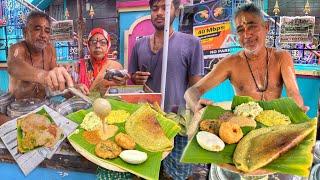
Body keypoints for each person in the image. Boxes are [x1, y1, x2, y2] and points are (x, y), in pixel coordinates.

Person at [184, 3, 308, 114]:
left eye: (252, 26)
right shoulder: (231, 63)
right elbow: (191, 92)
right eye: (240, 30)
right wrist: (195, 104)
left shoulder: (282, 57)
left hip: (274, 126)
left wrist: (297, 107)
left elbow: (293, 92)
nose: (247, 34)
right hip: (244, 129)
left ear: (266, 27)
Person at [129, 0, 204, 179]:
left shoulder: (191, 44)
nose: (159, 13)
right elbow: (132, 76)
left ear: (176, 11)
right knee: (147, 170)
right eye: (155, 9)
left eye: (165, 8)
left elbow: (197, 88)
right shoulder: (139, 45)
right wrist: (135, 78)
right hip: (147, 121)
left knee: (176, 174)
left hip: (178, 124)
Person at [7, 11, 74, 99]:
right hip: (18, 109)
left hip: (43, 105)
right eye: (37, 29)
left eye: (47, 31)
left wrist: (72, 89)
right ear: (25, 32)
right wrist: (44, 76)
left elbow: (55, 82)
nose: (43, 35)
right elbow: (14, 67)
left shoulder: (50, 49)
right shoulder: (17, 49)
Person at [77, 28, 128, 95]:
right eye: (93, 42)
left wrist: (122, 83)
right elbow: (68, 91)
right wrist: (76, 87)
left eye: (103, 42)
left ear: (108, 46)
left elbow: (121, 93)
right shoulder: (79, 66)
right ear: (88, 46)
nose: (98, 46)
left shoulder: (116, 66)